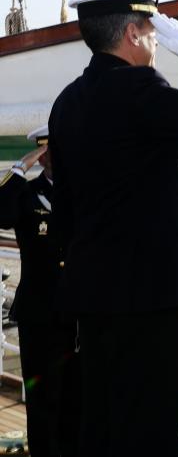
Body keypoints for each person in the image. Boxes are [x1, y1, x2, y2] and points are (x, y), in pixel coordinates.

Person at [48, 0, 178, 456]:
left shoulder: (67, 101)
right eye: (154, 32)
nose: (160, 42)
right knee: (151, 424)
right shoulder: (141, 90)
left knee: (102, 416)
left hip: (93, 290)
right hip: (151, 291)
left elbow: (66, 210)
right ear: (134, 34)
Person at [0, 126, 80, 456]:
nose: (54, 158)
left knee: (76, 394)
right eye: (47, 152)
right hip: (38, 312)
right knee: (42, 394)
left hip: (77, 312)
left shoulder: (83, 191)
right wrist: (18, 170)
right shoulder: (25, 193)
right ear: (41, 154)